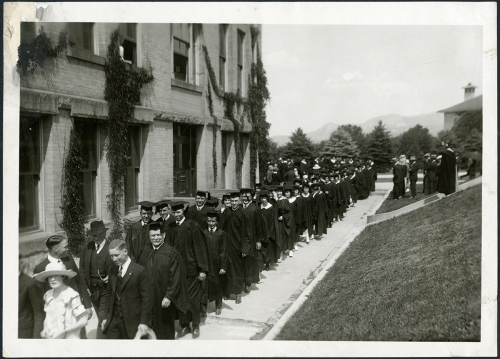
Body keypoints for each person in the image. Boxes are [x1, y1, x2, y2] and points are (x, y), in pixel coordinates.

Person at [165, 202, 211, 339]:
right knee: (180, 300)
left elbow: (200, 247)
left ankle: (195, 325)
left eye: (179, 212)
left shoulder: (192, 226)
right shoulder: (171, 227)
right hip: (176, 272)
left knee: (192, 300)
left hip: (191, 271)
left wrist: (202, 269)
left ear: (183, 212)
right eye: (175, 213)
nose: (177, 215)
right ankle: (185, 325)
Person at [33, 236, 93, 338]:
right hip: (56, 317)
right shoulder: (40, 268)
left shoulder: (68, 259)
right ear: (56, 249)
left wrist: (87, 305)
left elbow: (80, 282)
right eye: (65, 247)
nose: (68, 249)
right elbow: (38, 299)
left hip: (75, 309)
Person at [138, 223, 189, 340]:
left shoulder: (171, 253)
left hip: (163, 298)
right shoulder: (144, 251)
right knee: (148, 326)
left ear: (164, 235)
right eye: (153, 235)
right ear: (149, 236)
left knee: (164, 327)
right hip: (148, 296)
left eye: (158, 235)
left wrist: (169, 296)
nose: (156, 238)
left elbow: (176, 277)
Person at [101, 239, 153, 339]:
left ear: (125, 251)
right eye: (111, 256)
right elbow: (108, 294)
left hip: (132, 321)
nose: (114, 259)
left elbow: (147, 300)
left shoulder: (140, 271)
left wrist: (143, 322)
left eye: (116, 255)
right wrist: (105, 317)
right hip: (114, 321)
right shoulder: (112, 269)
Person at [79, 220, 116, 339]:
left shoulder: (112, 247)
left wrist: (111, 277)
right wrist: (86, 288)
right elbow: (82, 270)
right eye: (93, 235)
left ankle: (101, 342)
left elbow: (122, 265)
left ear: (103, 234)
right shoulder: (87, 248)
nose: (94, 238)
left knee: (102, 316)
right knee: (103, 315)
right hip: (93, 289)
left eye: (97, 235)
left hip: (107, 289)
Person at [33, 262, 88, 339]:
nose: (52, 279)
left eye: (56, 275)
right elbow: (47, 317)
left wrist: (64, 332)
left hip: (70, 339)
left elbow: (83, 321)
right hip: (52, 339)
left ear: (63, 277)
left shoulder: (72, 295)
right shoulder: (48, 295)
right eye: (50, 277)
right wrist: (45, 329)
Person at [219, 192, 252, 303]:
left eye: (235, 201)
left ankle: (238, 293)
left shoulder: (244, 213)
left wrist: (245, 248)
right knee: (226, 268)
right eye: (231, 201)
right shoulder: (226, 212)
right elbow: (221, 228)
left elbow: (248, 233)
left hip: (238, 246)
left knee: (237, 270)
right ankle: (227, 292)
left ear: (239, 201)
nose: (233, 203)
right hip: (226, 245)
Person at [202, 210, 228, 315]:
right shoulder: (203, 233)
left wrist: (223, 266)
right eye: (209, 221)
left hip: (217, 264)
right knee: (204, 286)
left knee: (217, 285)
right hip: (206, 264)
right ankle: (203, 307)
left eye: (213, 221)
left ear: (216, 221)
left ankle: (218, 305)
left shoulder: (221, 234)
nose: (211, 223)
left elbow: (224, 251)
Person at [18, 258, 44, 338]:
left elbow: (38, 313)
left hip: (24, 333)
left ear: (20, 262)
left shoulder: (30, 283)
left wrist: (35, 339)